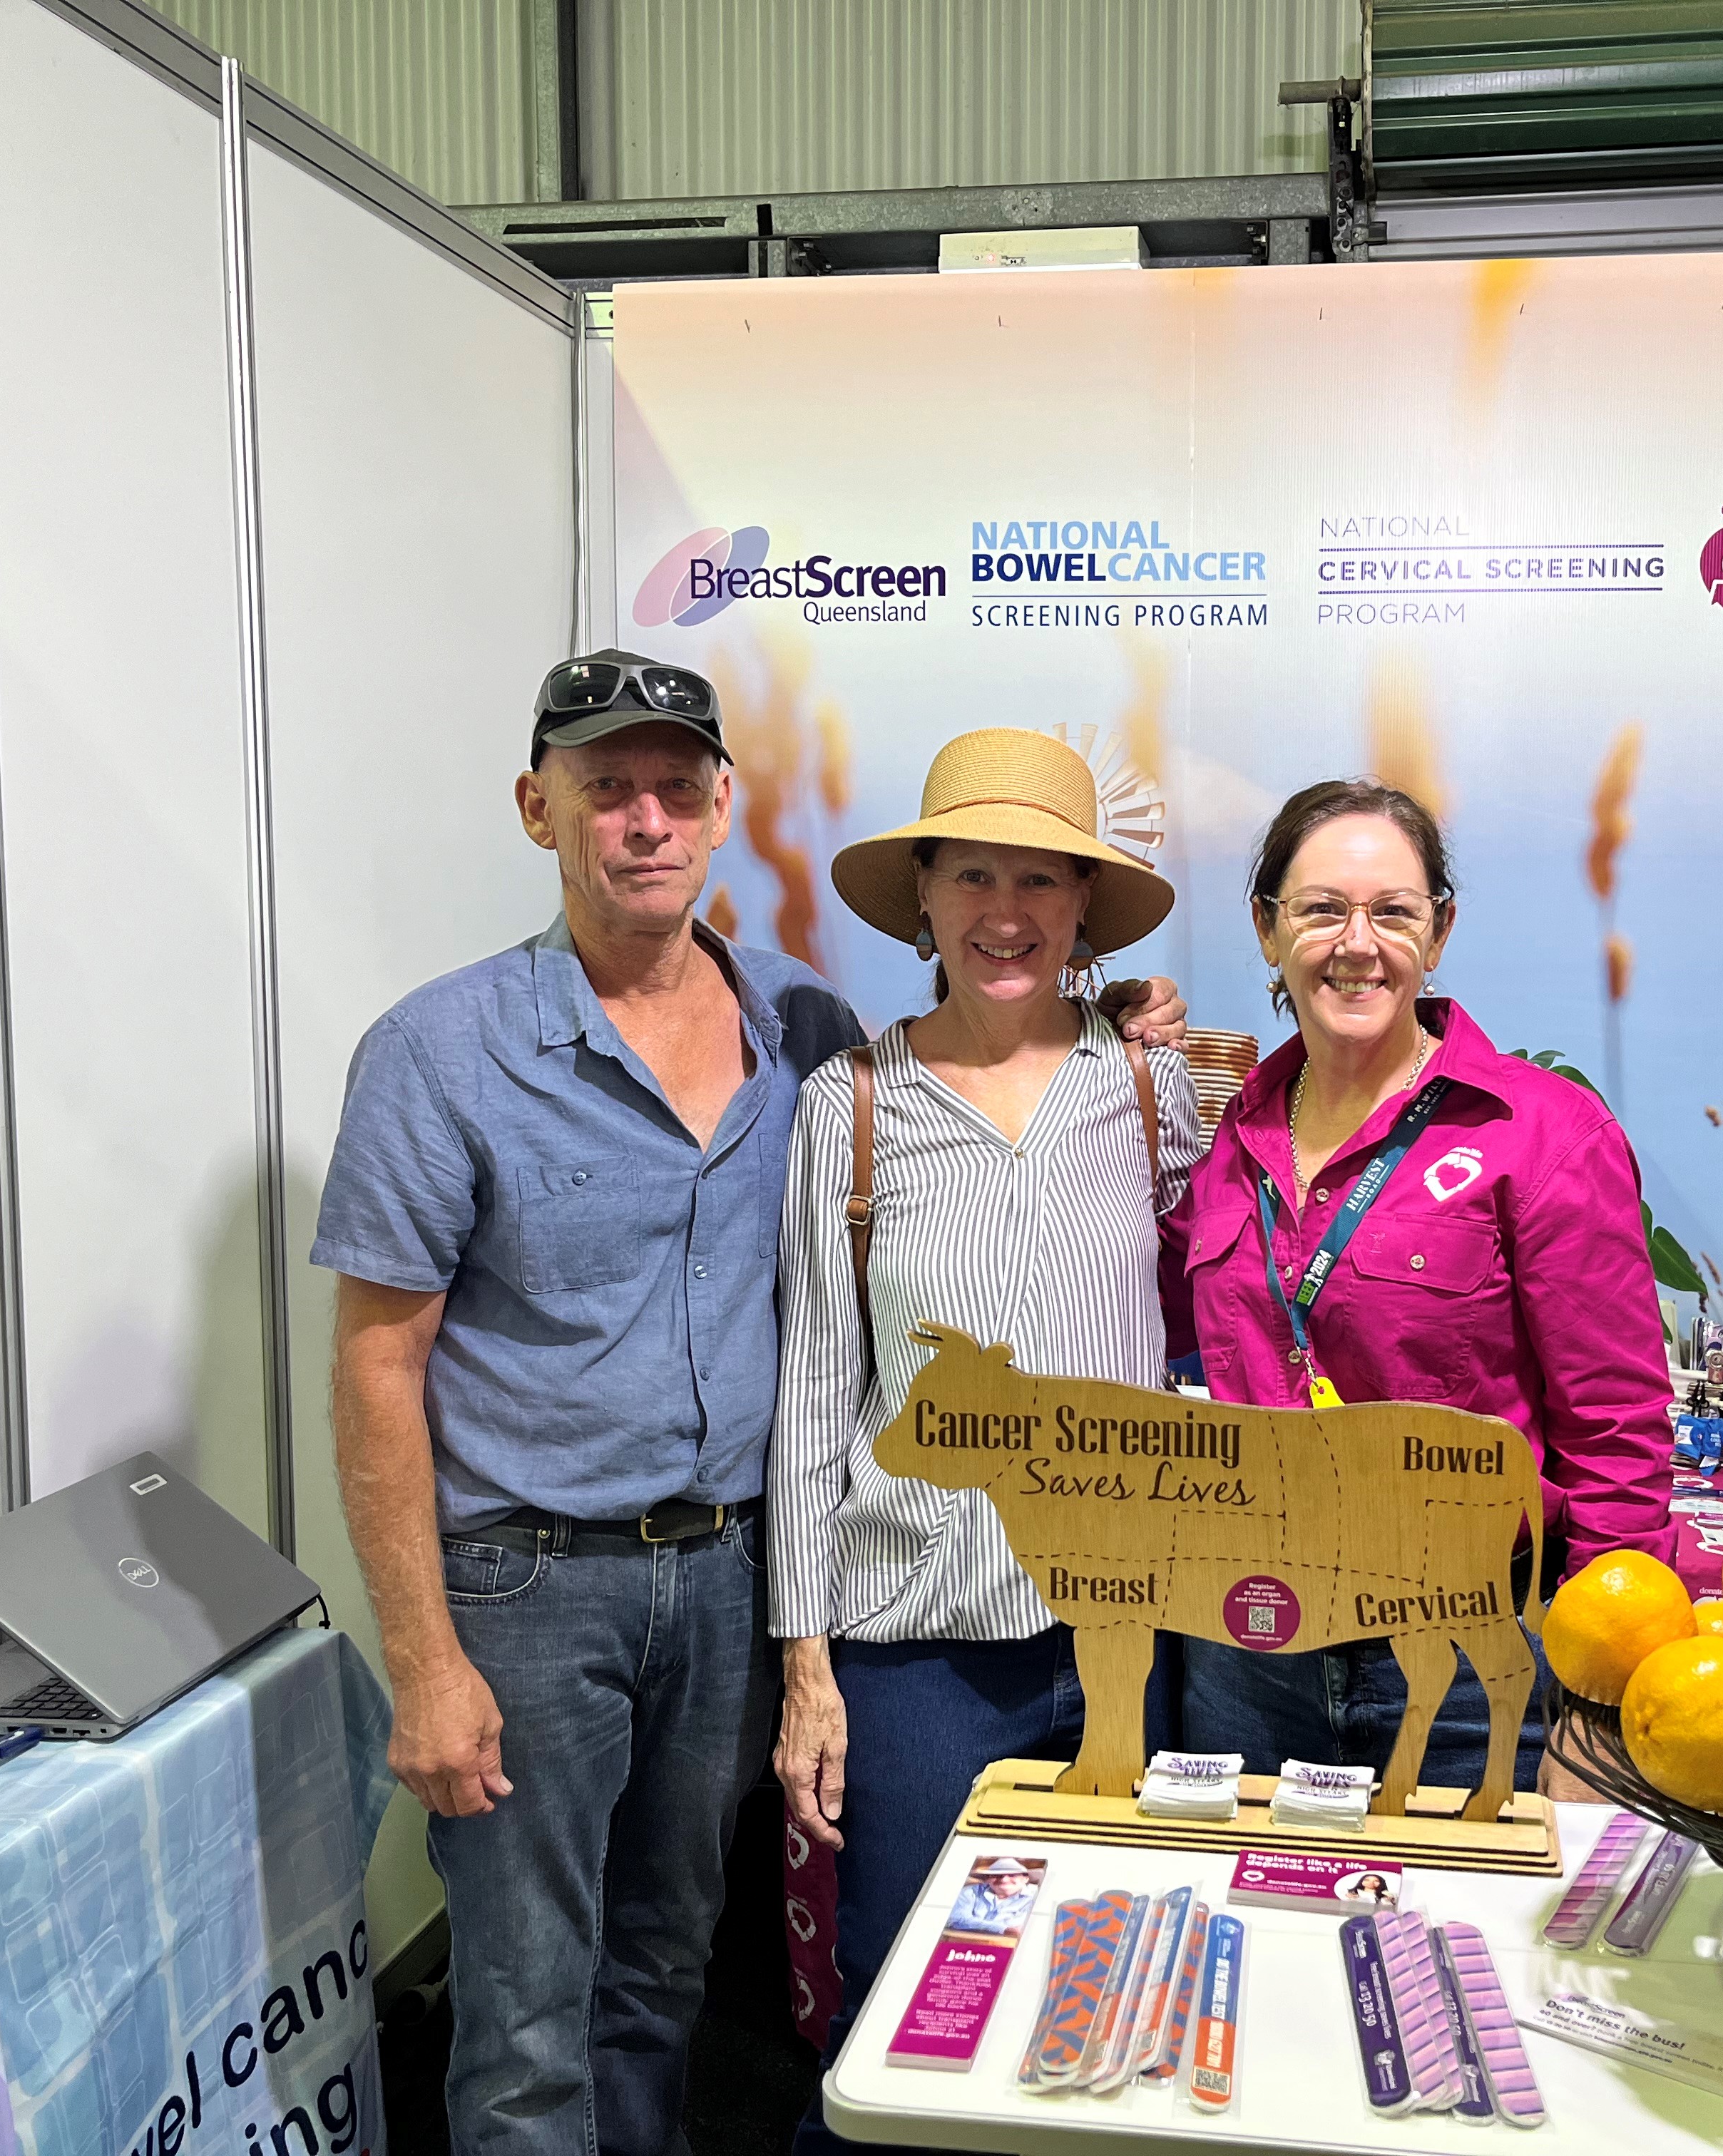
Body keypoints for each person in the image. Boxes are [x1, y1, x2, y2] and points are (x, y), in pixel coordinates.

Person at [313, 659, 1180, 2156]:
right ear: (541, 810)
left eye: (675, 788)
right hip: (531, 1588)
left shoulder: (794, 1026)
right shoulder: (441, 1052)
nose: (644, 820)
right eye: (605, 789)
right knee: (525, 2013)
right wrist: (423, 1660)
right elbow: (377, 1361)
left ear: (724, 807)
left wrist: (1140, 1027)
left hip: (727, 1573)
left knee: (664, 1977)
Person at [771, 727, 1202, 2150]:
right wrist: (808, 1670)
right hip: (917, 1652)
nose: (1003, 912)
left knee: (1119, 2012)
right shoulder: (850, 1112)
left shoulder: (1150, 1087)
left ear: (1085, 911)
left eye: (1038, 879)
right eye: (971, 875)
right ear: (923, 902)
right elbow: (818, 1398)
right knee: (912, 2026)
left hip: (1134, 1636)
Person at [1162, 778, 1675, 1802]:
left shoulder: (1542, 1133)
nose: (1359, 942)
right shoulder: (1238, 1132)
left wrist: (1603, 1700)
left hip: (1467, 1656)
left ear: (1437, 933)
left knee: (1481, 1944)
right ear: (1268, 931)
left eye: (1393, 911)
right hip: (1248, 1641)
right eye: (1320, 910)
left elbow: (1619, 1435)